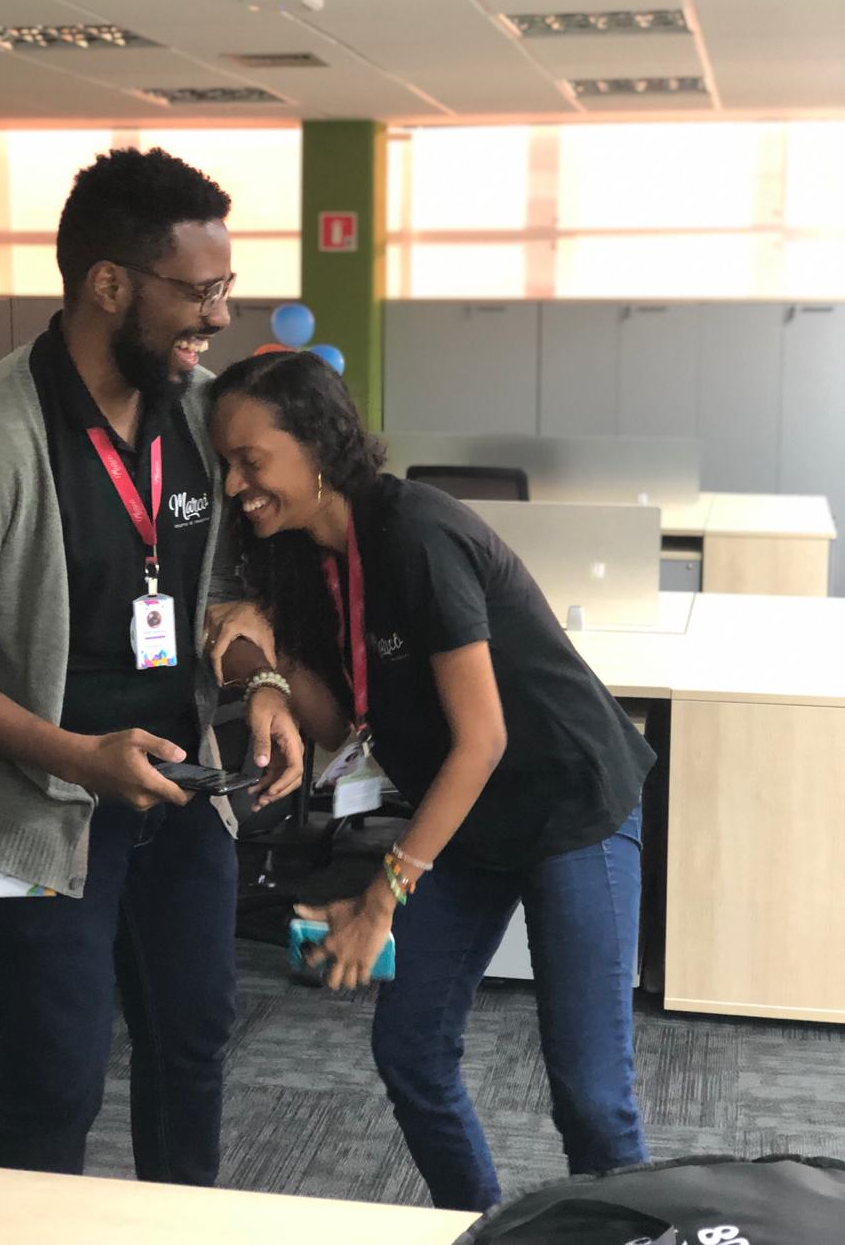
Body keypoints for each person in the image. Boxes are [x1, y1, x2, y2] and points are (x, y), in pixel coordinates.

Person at [0, 148, 303, 1183]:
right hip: (34, 811)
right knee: (56, 1074)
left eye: (226, 287)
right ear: (110, 283)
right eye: (199, 292)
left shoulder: (201, 414)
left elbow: (223, 591)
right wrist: (77, 755)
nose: (219, 316)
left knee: (192, 1048)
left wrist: (259, 681)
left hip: (182, 796)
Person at [207, 350, 657, 1212]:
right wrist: (266, 650)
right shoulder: (303, 559)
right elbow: (337, 727)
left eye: (250, 461)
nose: (235, 486)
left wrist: (383, 896)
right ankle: (480, 1224)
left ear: (318, 446)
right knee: (411, 1053)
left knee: (592, 1098)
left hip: (570, 804)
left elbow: (482, 739)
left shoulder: (415, 531)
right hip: (469, 822)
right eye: (226, 464)